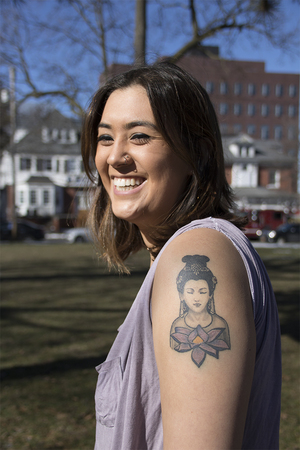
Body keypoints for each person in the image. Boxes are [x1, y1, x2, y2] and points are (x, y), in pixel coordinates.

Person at [81, 62, 281, 450]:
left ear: (196, 154)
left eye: (139, 136)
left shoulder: (197, 252)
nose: (115, 157)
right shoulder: (182, 252)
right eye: (106, 138)